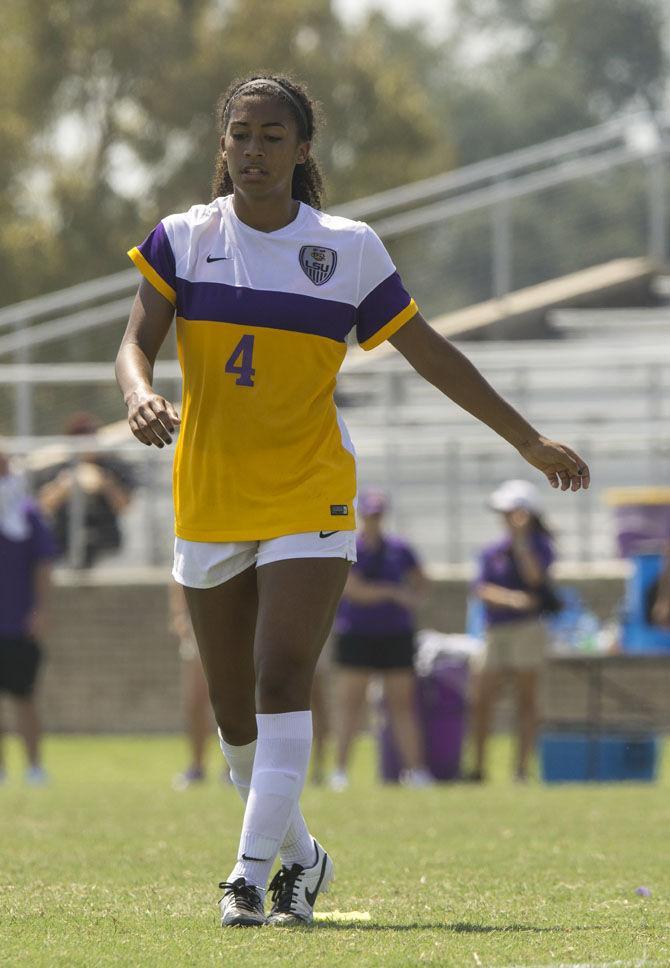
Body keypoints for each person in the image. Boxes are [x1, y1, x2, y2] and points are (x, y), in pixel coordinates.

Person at [115, 73, 590, 929]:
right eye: (240, 135)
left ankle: (247, 876)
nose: (253, 150)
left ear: (303, 150)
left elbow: (430, 352)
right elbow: (134, 343)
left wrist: (525, 438)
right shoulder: (183, 239)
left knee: (282, 672)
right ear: (223, 147)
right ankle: (305, 858)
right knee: (234, 721)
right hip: (210, 495)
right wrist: (137, 392)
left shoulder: (349, 248)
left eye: (272, 136)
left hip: (313, 492)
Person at [331, 489, 432, 790]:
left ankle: (415, 771)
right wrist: (392, 593)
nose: (373, 520)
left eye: (378, 514)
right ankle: (340, 771)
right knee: (351, 703)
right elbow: (353, 590)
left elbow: (421, 580)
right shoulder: (349, 546)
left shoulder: (399, 549)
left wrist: (414, 598)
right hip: (357, 632)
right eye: (369, 514)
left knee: (401, 704)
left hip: (395, 633)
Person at [470, 480, 557, 782]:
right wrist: (512, 599)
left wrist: (521, 541)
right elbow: (481, 589)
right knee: (482, 697)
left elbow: (535, 579)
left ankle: (521, 768)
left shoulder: (540, 546)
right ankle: (478, 768)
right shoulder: (492, 550)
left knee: (527, 700)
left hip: (527, 630)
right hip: (496, 629)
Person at [0, 449, 58, 785]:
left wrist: (40, 611)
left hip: (18, 622)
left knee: (25, 697)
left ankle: (34, 767)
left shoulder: (28, 513)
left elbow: (44, 565)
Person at [36, 412, 135, 568]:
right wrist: (64, 486)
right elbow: (41, 508)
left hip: (106, 546)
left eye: (89, 438)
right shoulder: (57, 467)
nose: (85, 445)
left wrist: (104, 483)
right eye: (80, 439)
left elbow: (125, 506)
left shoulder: (113, 466)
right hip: (64, 545)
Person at [168, 581, 216, 790]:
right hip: (198, 620)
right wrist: (179, 614)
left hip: (232, 617)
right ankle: (197, 766)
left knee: (234, 698)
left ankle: (234, 769)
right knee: (195, 701)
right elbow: (178, 574)